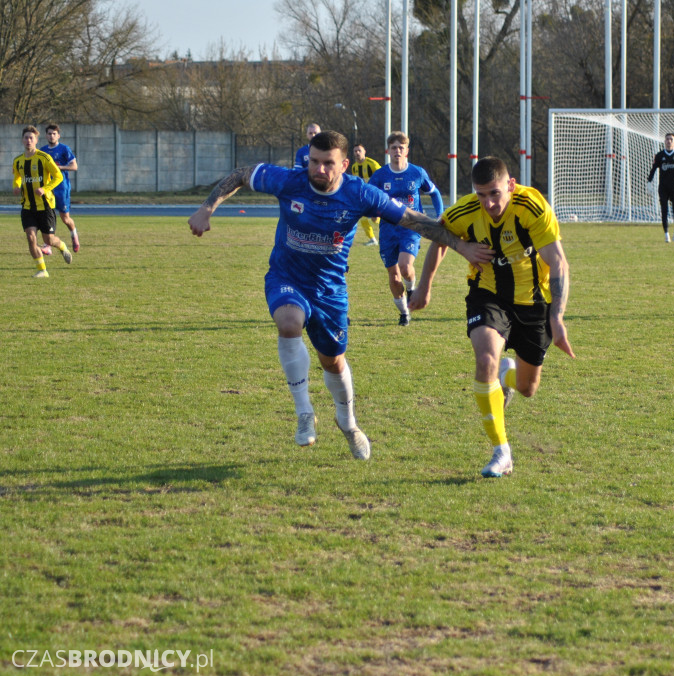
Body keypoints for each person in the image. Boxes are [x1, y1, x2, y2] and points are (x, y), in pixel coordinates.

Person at [187, 130, 493, 458]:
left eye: (327, 164)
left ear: (344, 164)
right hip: (286, 276)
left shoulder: (360, 193)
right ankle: (304, 413)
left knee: (332, 361)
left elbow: (413, 220)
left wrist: (461, 246)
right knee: (289, 323)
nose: (319, 170)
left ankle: (348, 424)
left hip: (330, 289)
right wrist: (207, 208)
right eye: (314, 162)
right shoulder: (288, 181)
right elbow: (241, 174)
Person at [410, 156, 574, 478]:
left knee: (527, 388)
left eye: (495, 193)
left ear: (510, 185)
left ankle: (508, 376)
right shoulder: (466, 210)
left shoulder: (532, 207)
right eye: (481, 195)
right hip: (488, 294)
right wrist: (426, 285)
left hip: (533, 301)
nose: (489, 202)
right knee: (484, 358)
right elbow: (439, 237)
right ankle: (502, 452)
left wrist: (557, 317)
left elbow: (559, 264)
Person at [368, 131, 444, 326]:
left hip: (411, 227)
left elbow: (434, 193)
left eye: (401, 148)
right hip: (387, 230)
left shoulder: (417, 172)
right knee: (393, 277)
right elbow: (368, 198)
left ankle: (411, 288)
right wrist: (371, 211)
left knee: (405, 266)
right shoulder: (380, 176)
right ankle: (404, 313)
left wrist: (440, 214)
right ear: (388, 151)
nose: (397, 151)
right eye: (394, 148)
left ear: (407, 151)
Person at [11, 126, 73, 278]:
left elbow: (58, 176)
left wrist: (45, 189)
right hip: (27, 206)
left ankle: (62, 246)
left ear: (36, 140)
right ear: (22, 140)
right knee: (31, 238)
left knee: (49, 240)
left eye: (31, 138)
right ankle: (42, 270)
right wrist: (16, 186)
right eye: (26, 137)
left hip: (45, 206)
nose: (28, 140)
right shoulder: (18, 161)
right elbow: (17, 177)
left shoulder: (44, 158)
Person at [39, 124, 81, 253]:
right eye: (49, 133)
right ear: (46, 135)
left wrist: (59, 168)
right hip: (47, 188)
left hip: (62, 188)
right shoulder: (42, 151)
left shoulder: (64, 149)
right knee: (48, 216)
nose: (51, 136)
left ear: (58, 135)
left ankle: (74, 235)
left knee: (65, 218)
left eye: (54, 133)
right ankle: (48, 245)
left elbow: (74, 167)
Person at [347, 144, 382, 246]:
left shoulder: (372, 164)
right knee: (362, 217)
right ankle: (372, 239)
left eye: (359, 151)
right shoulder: (354, 167)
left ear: (364, 151)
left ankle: (392, 229)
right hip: (363, 197)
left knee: (376, 220)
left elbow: (382, 176)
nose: (357, 153)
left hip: (375, 195)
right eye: (355, 151)